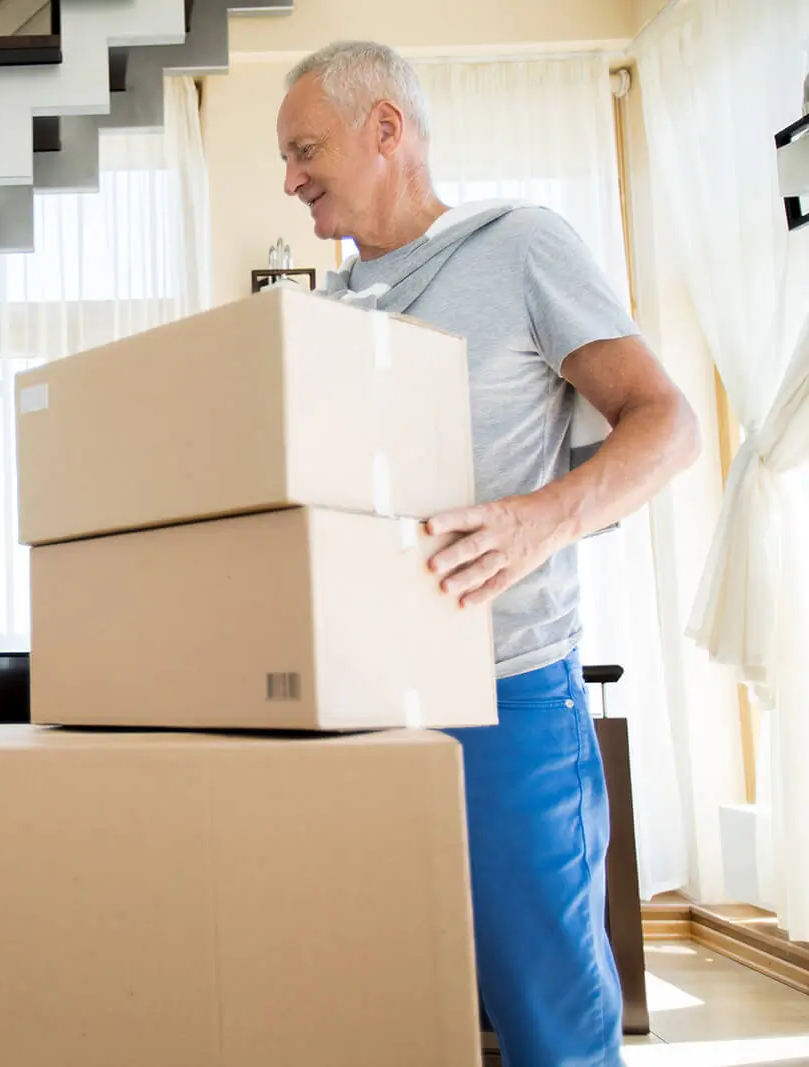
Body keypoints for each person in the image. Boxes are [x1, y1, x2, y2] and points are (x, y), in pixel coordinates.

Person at [277, 41, 699, 1067]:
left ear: (385, 129)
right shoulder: (322, 313)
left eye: (303, 149)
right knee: (389, 1006)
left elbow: (668, 424)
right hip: (358, 710)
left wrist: (539, 518)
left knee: (545, 1016)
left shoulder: (519, 247)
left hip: (502, 697)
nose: (289, 180)